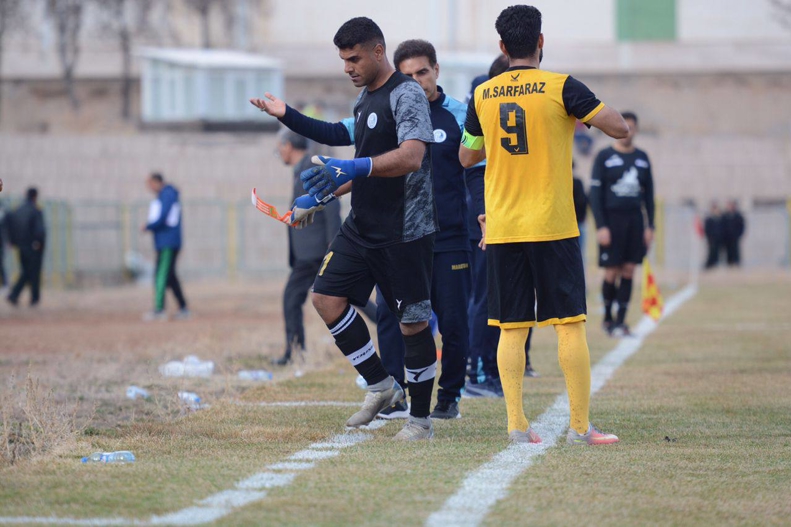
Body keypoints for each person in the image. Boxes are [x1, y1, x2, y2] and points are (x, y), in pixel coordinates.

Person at [251, 17, 438, 441]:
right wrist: (320, 195)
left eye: (354, 58)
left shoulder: (406, 93)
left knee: (411, 323)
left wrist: (355, 165)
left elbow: (411, 156)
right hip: (362, 226)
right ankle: (380, 385)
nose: (348, 67)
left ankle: (421, 420)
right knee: (325, 298)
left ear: (377, 51)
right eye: (342, 60)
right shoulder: (363, 101)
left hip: (404, 229)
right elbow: (350, 153)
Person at [459, 5, 628, 446]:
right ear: (541, 41)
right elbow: (618, 126)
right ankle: (578, 428)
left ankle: (516, 425)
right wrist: (581, 114)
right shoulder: (561, 87)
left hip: (504, 225)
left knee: (511, 327)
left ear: (501, 46)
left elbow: (466, 156)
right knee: (569, 324)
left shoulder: (483, 93)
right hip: (553, 223)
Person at [366, 39, 471, 420]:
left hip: (450, 239)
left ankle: (449, 396)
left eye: (422, 72)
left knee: (455, 323)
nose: (415, 80)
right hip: (400, 239)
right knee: (394, 319)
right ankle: (397, 395)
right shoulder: (388, 114)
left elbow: (479, 169)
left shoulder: (460, 115)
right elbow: (339, 133)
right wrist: (287, 114)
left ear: (436, 70)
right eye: (407, 75)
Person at [274, 130, 342, 366]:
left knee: (291, 298)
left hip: (316, 252)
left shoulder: (310, 169)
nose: (279, 153)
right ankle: (296, 351)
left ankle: (295, 353)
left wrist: (334, 246)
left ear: (288, 146)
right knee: (352, 297)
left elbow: (331, 204)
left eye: (279, 148)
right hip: (310, 252)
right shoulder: (299, 171)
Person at [589, 111, 655, 337]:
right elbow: (595, 195)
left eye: (631, 128)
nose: (627, 132)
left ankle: (621, 321)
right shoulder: (604, 157)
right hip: (611, 220)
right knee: (611, 271)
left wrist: (650, 226)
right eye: (624, 127)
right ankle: (607, 319)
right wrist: (601, 226)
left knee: (629, 270)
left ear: (635, 130)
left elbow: (649, 195)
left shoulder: (643, 158)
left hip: (635, 221)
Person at [142, 173, 189, 321]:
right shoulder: (166, 195)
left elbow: (162, 217)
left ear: (157, 182)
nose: (149, 188)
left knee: (161, 275)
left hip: (167, 242)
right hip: (165, 241)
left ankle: (159, 309)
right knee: (170, 277)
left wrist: (149, 226)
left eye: (150, 184)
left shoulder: (167, 195)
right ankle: (183, 307)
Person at [7, 187, 46, 307]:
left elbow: (10, 227)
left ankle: (15, 295)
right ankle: (33, 299)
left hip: (20, 247)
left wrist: (13, 242)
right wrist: (40, 244)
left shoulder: (18, 210)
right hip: (33, 248)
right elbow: (40, 231)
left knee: (26, 272)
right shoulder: (35, 210)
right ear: (35, 197)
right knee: (33, 273)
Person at [722, 200, 745, 266]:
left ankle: (736, 262)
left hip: (735, 237)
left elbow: (741, 226)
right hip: (727, 238)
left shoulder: (738, 216)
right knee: (728, 251)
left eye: (732, 205)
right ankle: (729, 263)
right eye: (729, 205)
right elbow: (722, 226)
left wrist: (738, 234)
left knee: (736, 250)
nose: (730, 207)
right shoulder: (725, 216)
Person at [704, 202, 724, 269]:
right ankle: (709, 265)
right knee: (711, 253)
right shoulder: (709, 219)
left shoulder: (721, 219)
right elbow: (707, 230)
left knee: (718, 253)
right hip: (711, 239)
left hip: (719, 239)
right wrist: (710, 238)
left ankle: (716, 264)